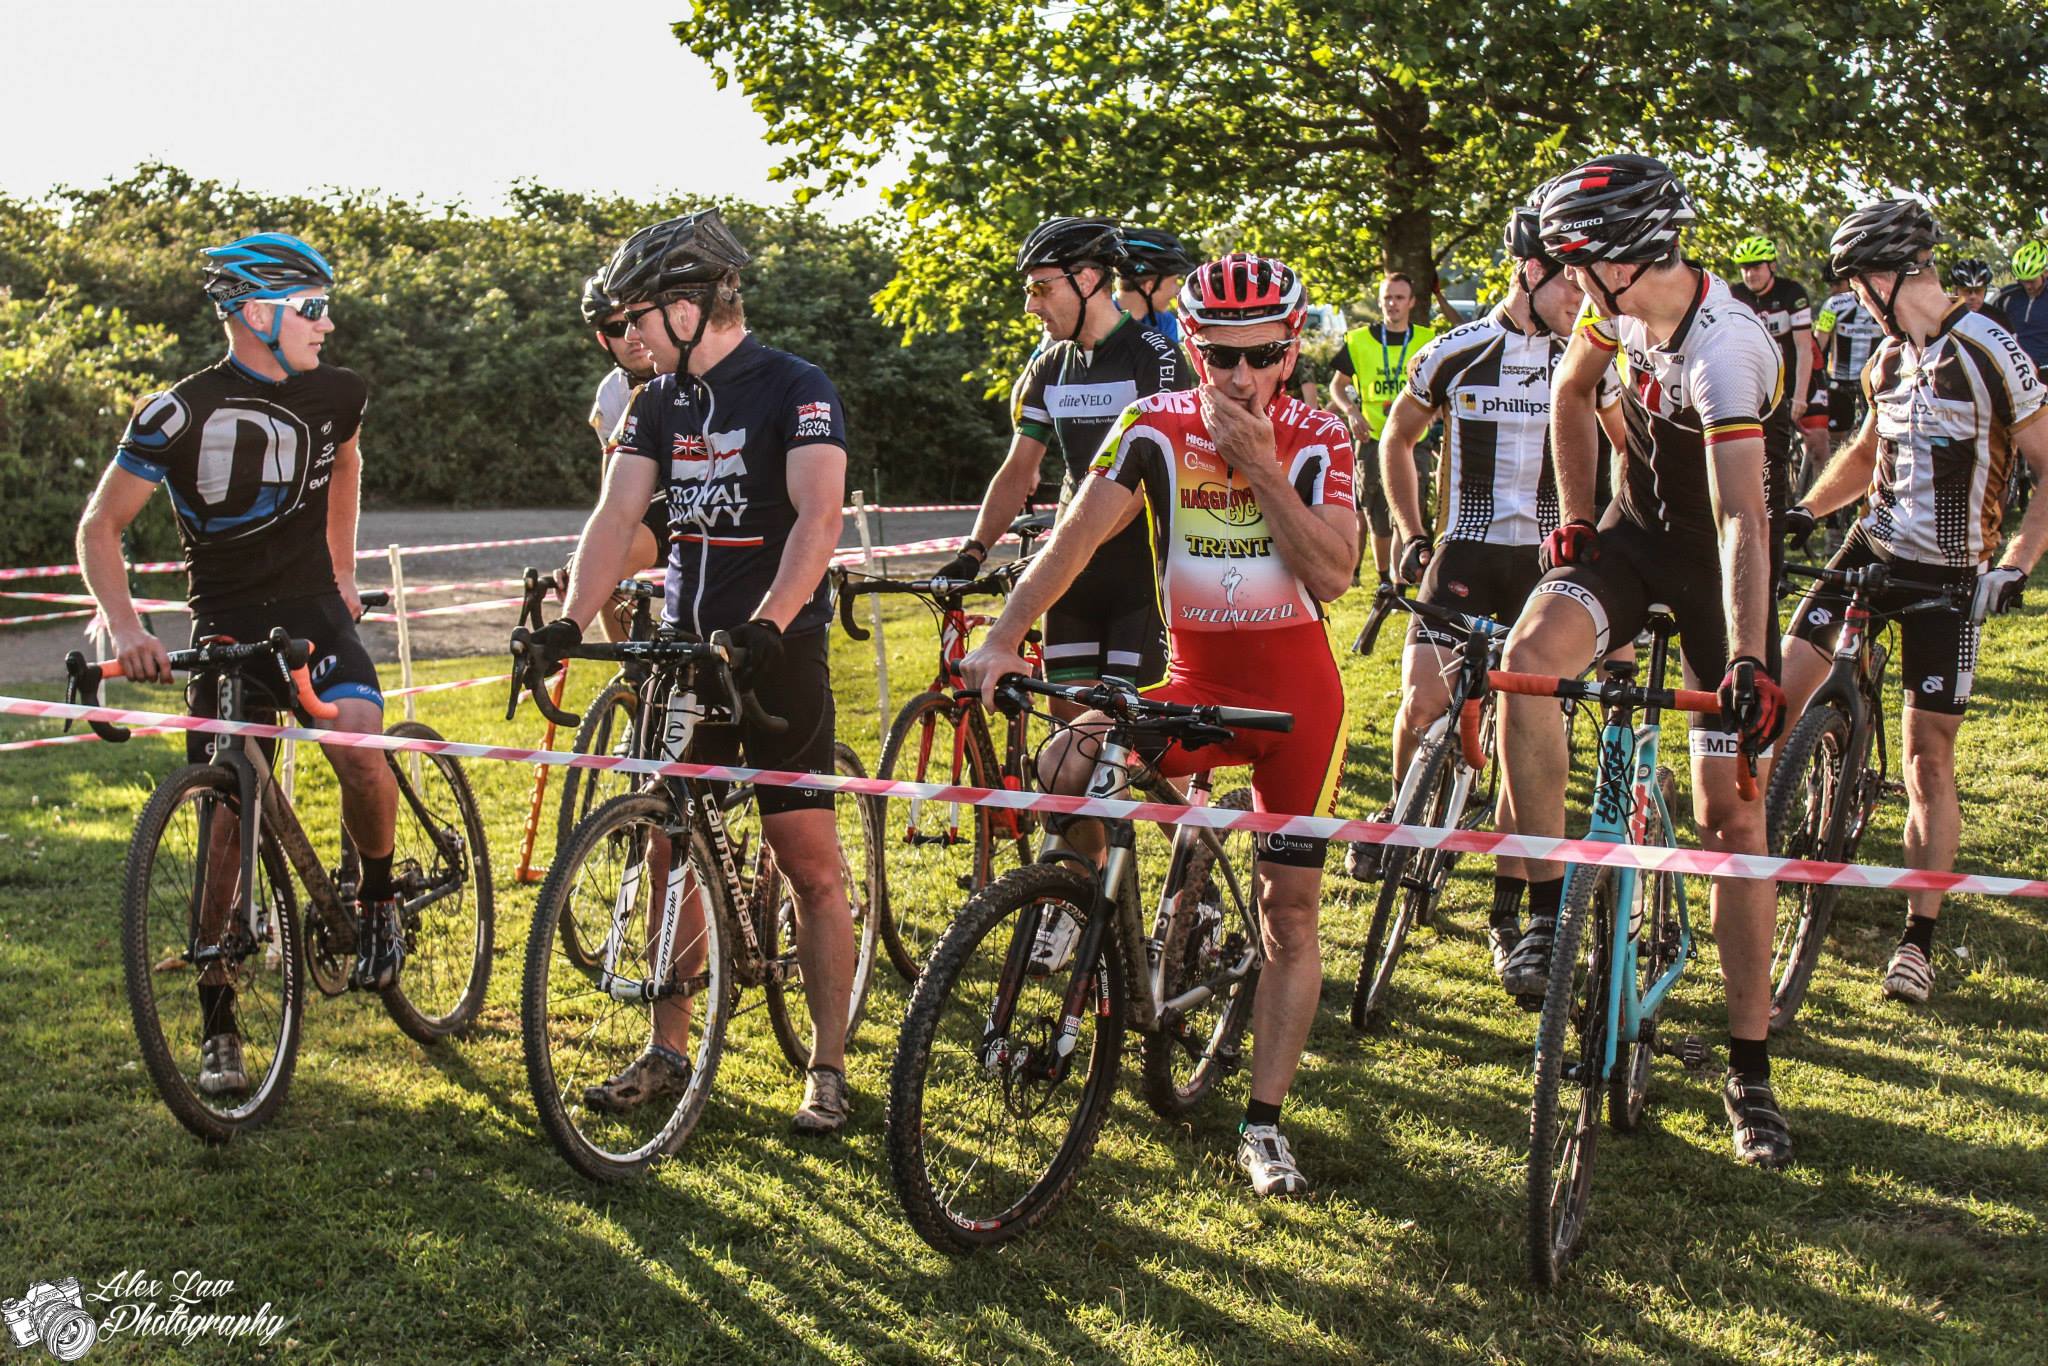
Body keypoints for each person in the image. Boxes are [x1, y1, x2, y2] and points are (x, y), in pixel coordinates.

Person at [959, 253, 1358, 1198]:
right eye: (1219, 355)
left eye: (1261, 355)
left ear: (1290, 349)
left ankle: (1263, 1125)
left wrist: (1261, 467)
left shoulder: (1317, 436)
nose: (1239, 377)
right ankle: (1106, 935)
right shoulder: (1156, 423)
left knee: (1289, 913)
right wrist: (1006, 636)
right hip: (1195, 679)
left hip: (1297, 702)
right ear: (1190, 345)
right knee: (1069, 758)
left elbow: (1336, 573)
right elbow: (1075, 536)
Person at [526, 208, 859, 1134]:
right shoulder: (656, 403)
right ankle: (670, 1047)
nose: (627, 339)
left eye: (638, 318)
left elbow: (816, 521)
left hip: (774, 649)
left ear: (691, 304)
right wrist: (568, 620)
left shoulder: (796, 388)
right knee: (666, 841)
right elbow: (614, 517)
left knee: (809, 866)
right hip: (684, 650)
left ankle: (827, 1066)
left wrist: (768, 624)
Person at [1496, 155, 1795, 1168]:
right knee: (1523, 661)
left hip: (1721, 573)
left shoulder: (1726, 348)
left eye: (1573, 263)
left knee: (1729, 815)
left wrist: (1749, 658)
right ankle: (1542, 908)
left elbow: (1739, 518)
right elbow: (1570, 397)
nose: (1561, 279)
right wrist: (1576, 520)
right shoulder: (1609, 315)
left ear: (1623, 261)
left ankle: (1747, 1069)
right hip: (1630, 536)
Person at [76, 232, 395, 1093]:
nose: (330, 324)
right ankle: (220, 1025)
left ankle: (378, 899)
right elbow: (100, 528)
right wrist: (125, 625)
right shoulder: (174, 411)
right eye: (314, 308)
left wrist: (343, 569)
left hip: (314, 619)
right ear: (258, 313)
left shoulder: (340, 393)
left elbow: (347, 464)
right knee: (223, 832)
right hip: (225, 628)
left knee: (360, 748)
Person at [1780, 200, 2048, 1004]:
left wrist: (2018, 561)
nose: (1858, 302)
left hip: (1951, 570)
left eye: (1860, 285)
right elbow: (1867, 451)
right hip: (1874, 545)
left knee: (1927, 756)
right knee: (1782, 690)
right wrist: (1807, 509)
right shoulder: (1889, 358)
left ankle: (1917, 941)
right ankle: (1757, 855)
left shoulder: (1990, 349)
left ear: (1889, 277)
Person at [1355, 203, 1629, 967]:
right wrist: (1410, 531)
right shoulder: (1458, 350)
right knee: (1423, 700)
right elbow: (1397, 438)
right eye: (1570, 284)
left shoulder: (1587, 359)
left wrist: (1612, 540)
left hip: (1548, 563)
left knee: (1522, 728)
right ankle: (1402, 823)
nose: (1583, 299)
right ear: (1529, 271)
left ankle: (1511, 910)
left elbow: (1626, 450)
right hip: (1467, 551)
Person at [938, 218, 1187, 691]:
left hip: (1142, 578)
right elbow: (1017, 472)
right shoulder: (1050, 366)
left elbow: (1137, 491)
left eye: (1041, 288)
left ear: (1088, 280)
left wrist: (1061, 556)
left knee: (1130, 746)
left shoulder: (1157, 357)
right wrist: (973, 552)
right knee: (1066, 753)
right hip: (1070, 580)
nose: (1031, 305)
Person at [1330, 274, 1438, 581]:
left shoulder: (1427, 339)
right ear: (1380, 301)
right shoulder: (1359, 340)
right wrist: (1351, 411)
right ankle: (1382, 580)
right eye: (1388, 297)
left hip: (1413, 438)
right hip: (1372, 438)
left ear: (1412, 302)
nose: (1393, 304)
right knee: (1376, 514)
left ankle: (1401, 580)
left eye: (1399, 298)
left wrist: (1435, 410)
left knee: (1407, 510)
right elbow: (1336, 386)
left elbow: (1440, 385)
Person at [577, 272, 664, 641]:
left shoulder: (691, 373)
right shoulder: (611, 393)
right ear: (603, 339)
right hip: (647, 502)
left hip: (701, 497)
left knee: (605, 563)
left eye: (635, 319)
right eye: (615, 328)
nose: (629, 335)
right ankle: (632, 675)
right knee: (598, 568)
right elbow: (609, 484)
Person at [1730, 236, 1827, 493]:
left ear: (1771, 266)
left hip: (1801, 374)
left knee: (1817, 444)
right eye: (1745, 267)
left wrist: (1799, 398)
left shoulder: (1792, 293)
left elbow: (1804, 348)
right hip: (1763, 379)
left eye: (1756, 267)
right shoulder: (1735, 295)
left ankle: (1826, 517)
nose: (1750, 274)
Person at [1115, 226, 1198, 345]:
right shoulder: (1097, 320)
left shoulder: (1165, 322)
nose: (1177, 290)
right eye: (1174, 281)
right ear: (1149, 287)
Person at [1991, 241, 2048, 376]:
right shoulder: (2006, 296)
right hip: (2016, 370)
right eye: (2023, 281)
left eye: (2032, 280)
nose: (2028, 286)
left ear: (2045, 273)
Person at [1948, 258, 2007, 326]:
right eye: (1967, 290)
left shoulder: (1998, 317)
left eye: (1978, 290)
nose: (1973, 296)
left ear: (1985, 291)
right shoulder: (1942, 316)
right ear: (1955, 291)